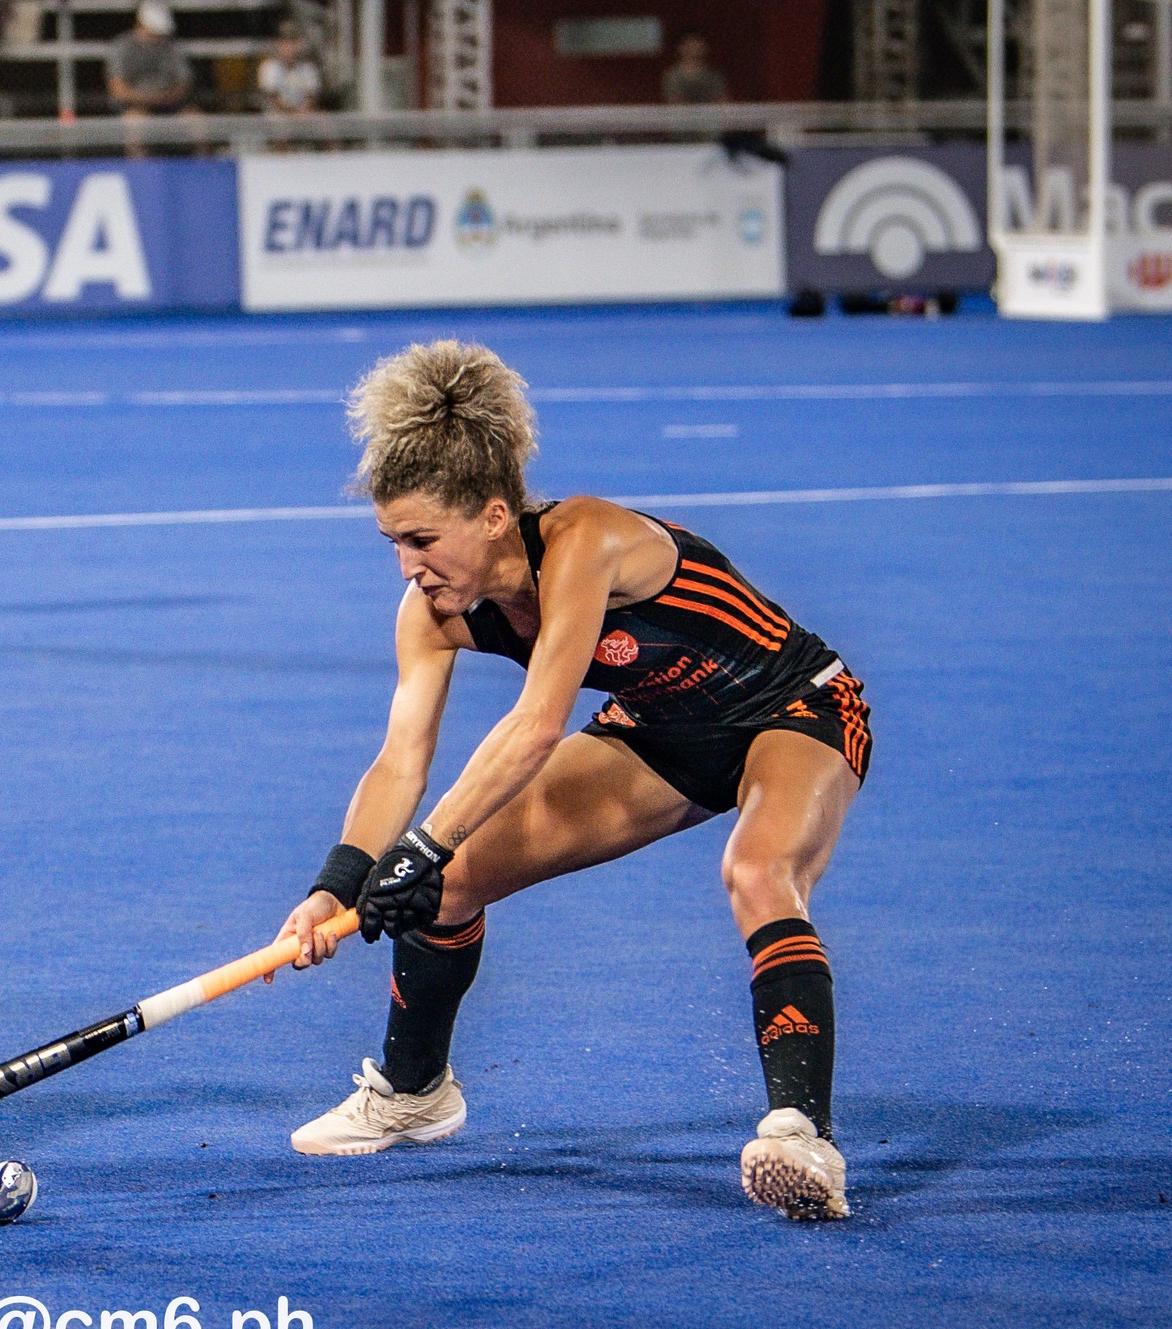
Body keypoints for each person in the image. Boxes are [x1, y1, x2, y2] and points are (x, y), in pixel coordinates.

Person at [271, 341, 872, 1222]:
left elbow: (537, 722)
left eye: (422, 539)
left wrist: (421, 845)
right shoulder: (431, 614)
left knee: (757, 871)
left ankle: (801, 1135)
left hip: (794, 707)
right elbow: (399, 759)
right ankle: (415, 1091)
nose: (407, 565)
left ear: (493, 514)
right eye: (393, 542)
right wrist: (338, 883)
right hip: (660, 728)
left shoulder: (584, 540)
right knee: (452, 883)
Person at [107, 1, 193, 150]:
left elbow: (183, 84)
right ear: (141, 24)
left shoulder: (171, 46)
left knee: (195, 119)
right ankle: (138, 164)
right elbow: (118, 90)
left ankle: (203, 164)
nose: (157, 37)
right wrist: (148, 99)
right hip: (133, 106)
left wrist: (166, 98)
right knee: (135, 122)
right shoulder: (123, 46)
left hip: (170, 104)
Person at [256, 20, 321, 116]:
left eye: (292, 42)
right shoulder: (269, 67)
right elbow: (273, 99)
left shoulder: (308, 68)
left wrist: (302, 112)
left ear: (299, 43)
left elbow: (312, 96)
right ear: (278, 44)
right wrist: (295, 114)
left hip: (303, 119)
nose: (288, 47)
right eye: (284, 42)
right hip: (275, 121)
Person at [662, 30, 727, 105]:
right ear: (681, 48)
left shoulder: (714, 76)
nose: (696, 48)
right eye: (691, 44)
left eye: (698, 43)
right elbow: (676, 103)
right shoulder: (673, 76)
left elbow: (723, 102)